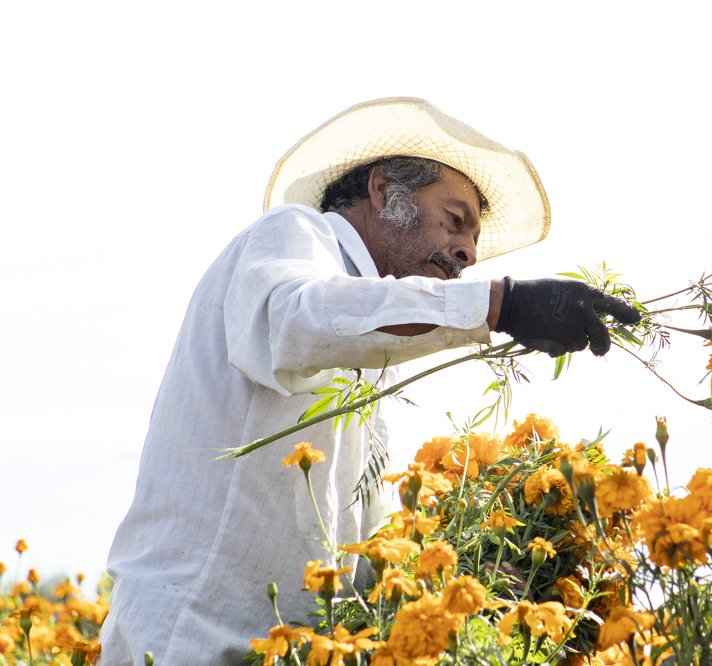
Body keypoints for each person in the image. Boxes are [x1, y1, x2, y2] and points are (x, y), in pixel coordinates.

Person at [99, 97, 639, 664]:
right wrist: (500, 304)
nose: (467, 253)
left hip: (287, 648)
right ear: (383, 190)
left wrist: (476, 567)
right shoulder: (293, 234)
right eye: (455, 220)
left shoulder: (374, 346)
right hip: (188, 637)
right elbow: (298, 321)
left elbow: (355, 538)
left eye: (474, 244)